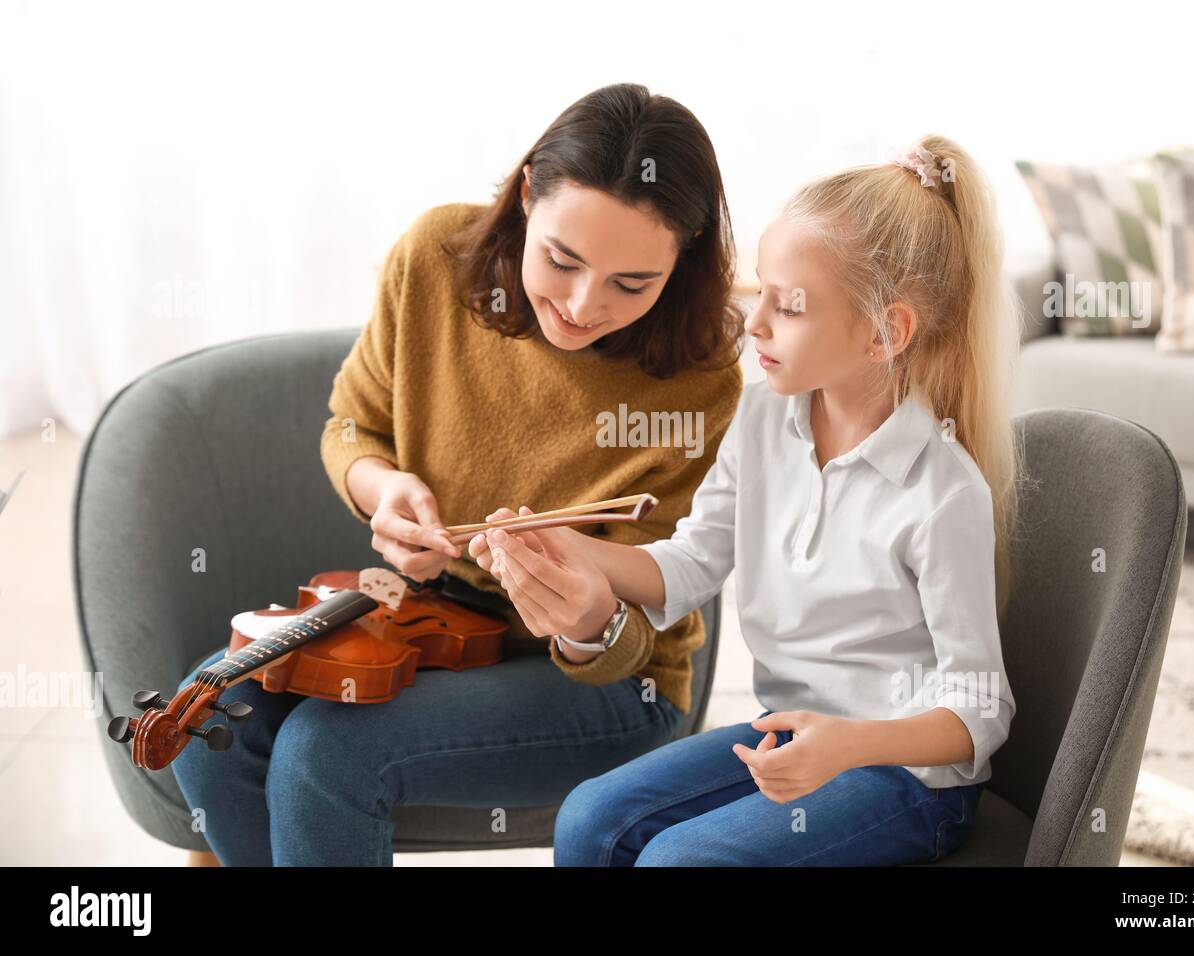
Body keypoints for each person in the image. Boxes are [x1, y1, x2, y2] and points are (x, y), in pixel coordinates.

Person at [171, 83, 745, 866]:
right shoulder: (435, 258)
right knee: (210, 716)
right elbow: (352, 425)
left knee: (327, 752)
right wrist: (383, 492)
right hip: (429, 623)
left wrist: (583, 621)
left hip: (606, 682)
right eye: (562, 259)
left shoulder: (699, 375)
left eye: (631, 285)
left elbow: (647, 622)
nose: (581, 306)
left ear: (681, 263)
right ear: (523, 196)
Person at [474, 136, 1025, 866]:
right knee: (589, 821)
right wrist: (575, 551)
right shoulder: (764, 418)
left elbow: (981, 710)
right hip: (790, 731)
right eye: (758, 290)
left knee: (680, 861)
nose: (754, 322)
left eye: (787, 306)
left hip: (909, 780)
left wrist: (847, 745)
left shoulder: (941, 490)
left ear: (884, 333)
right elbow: (692, 563)